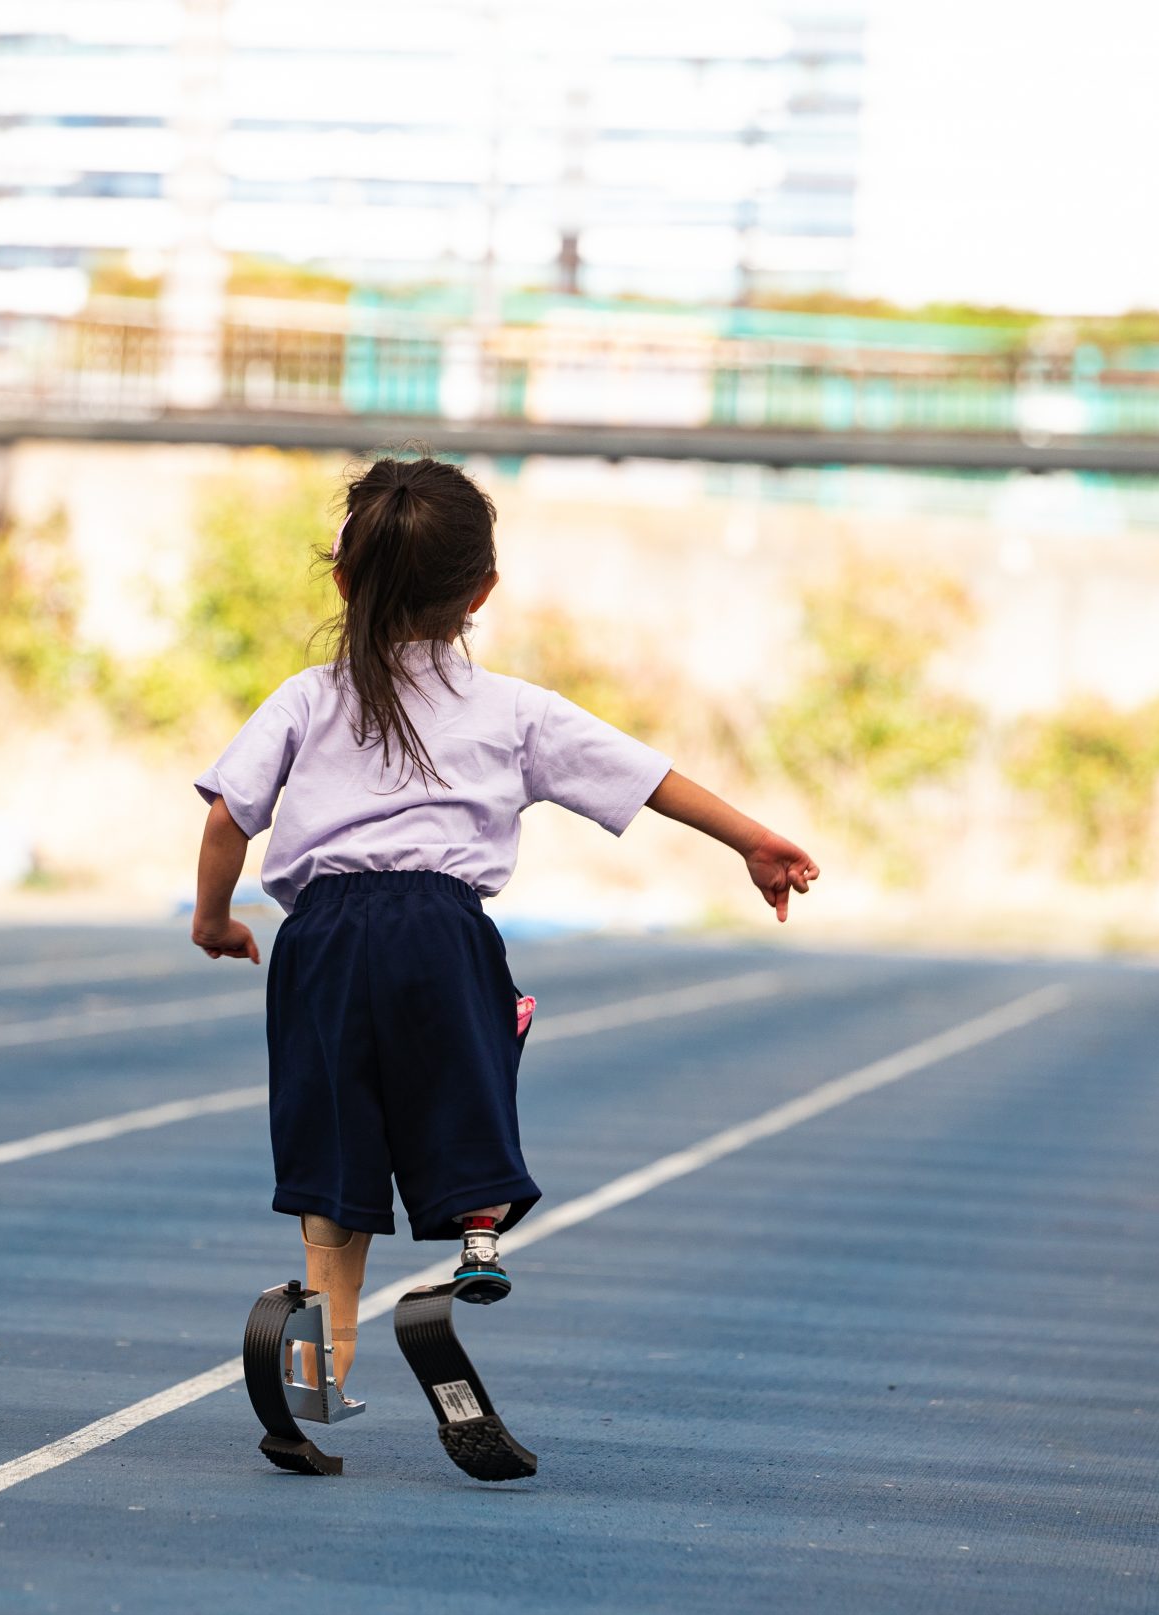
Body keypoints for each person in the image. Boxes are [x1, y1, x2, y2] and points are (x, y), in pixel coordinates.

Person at [189, 456, 817, 1395]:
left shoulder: (304, 697)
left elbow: (226, 818)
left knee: (335, 1146)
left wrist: (213, 920)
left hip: (318, 941)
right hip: (439, 931)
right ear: (483, 590)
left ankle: (323, 1363)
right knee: (479, 1049)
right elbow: (646, 779)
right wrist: (753, 839)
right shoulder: (513, 709)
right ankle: (477, 1224)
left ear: (343, 582)